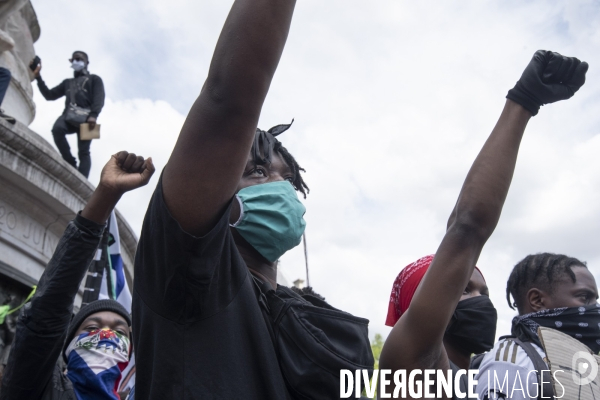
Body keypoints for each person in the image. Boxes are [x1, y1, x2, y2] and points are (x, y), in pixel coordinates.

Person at [132, 0, 371, 398]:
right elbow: (230, 99)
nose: (280, 186)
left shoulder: (317, 324)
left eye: (288, 179)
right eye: (258, 172)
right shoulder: (185, 275)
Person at [378, 50, 588, 399]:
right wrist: (524, 101)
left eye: (484, 293)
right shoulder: (414, 370)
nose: (482, 302)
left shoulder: (494, 378)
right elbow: (466, 229)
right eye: (465, 289)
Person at [0, 151, 155, 399]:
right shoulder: (36, 388)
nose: (106, 335)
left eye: (119, 333)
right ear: (67, 345)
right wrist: (106, 194)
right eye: (91, 327)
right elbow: (49, 308)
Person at [476, 253, 599, 400]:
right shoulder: (512, 365)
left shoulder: (581, 362)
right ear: (537, 300)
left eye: (595, 300)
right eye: (584, 297)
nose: (595, 308)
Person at [31, 51, 105, 178]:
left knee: (84, 152)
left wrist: (94, 115)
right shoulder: (67, 82)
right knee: (57, 129)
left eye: (80, 59)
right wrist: (38, 77)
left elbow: (99, 98)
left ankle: (82, 179)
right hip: (68, 116)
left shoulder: (95, 79)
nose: (77, 61)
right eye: (74, 59)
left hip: (89, 119)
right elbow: (49, 95)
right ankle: (70, 163)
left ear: (87, 62)